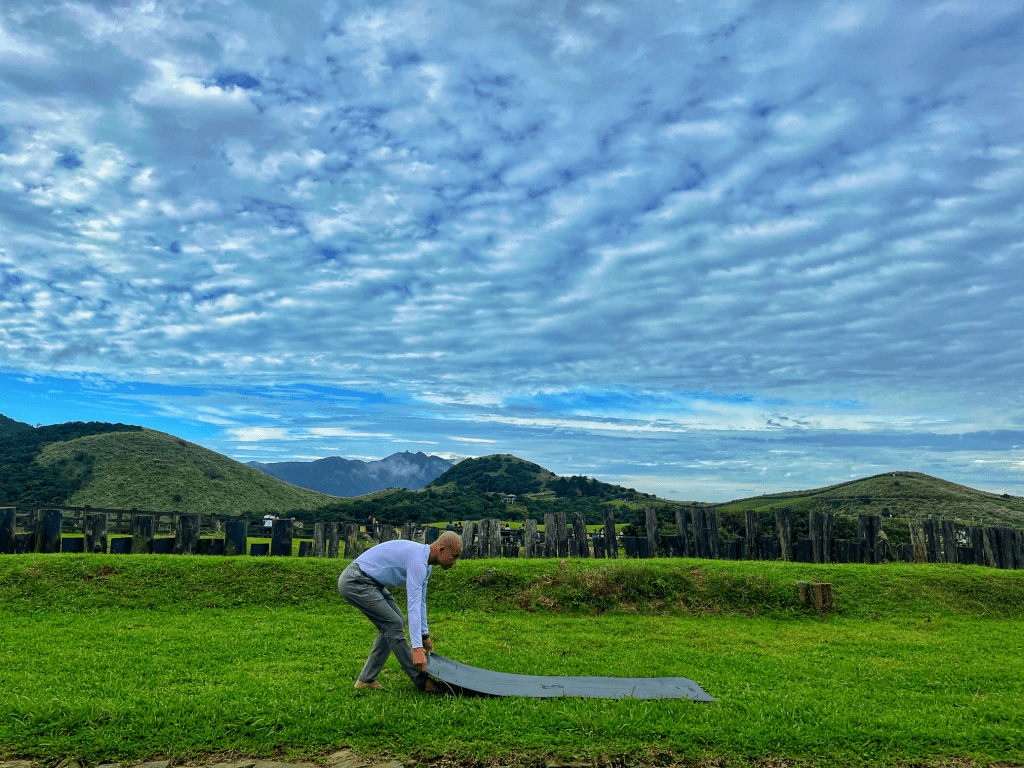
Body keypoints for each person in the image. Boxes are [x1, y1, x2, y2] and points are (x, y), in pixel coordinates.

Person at [337, 530, 462, 691]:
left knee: (395, 623)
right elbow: (413, 604)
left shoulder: (425, 564)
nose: (455, 562)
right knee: (393, 624)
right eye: (454, 556)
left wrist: (424, 635)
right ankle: (421, 681)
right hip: (355, 580)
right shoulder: (418, 561)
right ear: (441, 548)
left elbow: (421, 601)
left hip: (371, 582)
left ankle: (366, 680)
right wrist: (417, 649)